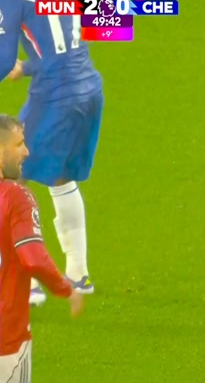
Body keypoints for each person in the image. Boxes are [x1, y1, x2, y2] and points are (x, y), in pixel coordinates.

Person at [0, 0, 105, 305]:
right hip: (89, 91)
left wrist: (15, 65)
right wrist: (29, 68)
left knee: (10, 179)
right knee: (61, 177)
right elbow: (75, 39)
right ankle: (79, 274)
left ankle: (27, 282)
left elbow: (3, 59)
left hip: (55, 97)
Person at [0, 114, 85, 382]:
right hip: (7, 342)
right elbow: (33, 258)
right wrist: (65, 289)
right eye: (19, 144)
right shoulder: (15, 197)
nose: (27, 151)